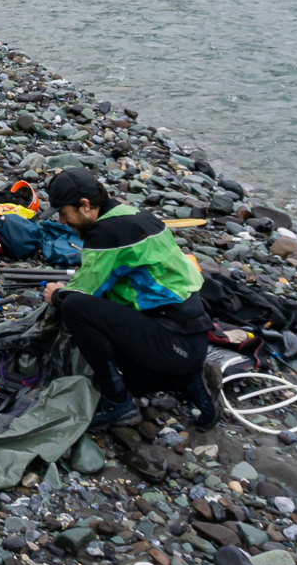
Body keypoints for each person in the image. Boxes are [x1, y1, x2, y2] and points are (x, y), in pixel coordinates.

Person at [40, 168, 219, 430]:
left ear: (85, 205)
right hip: (186, 336)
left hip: (176, 343)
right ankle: (186, 381)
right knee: (127, 373)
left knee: (74, 308)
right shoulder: (131, 214)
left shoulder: (107, 233)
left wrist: (56, 294)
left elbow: (82, 293)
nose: (63, 221)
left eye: (64, 213)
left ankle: (118, 403)